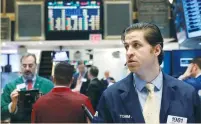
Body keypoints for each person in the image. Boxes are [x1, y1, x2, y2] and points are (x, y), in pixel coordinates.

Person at [92, 23, 201, 123]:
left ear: (156, 50)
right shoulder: (111, 96)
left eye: (136, 45)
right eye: (127, 47)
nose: (129, 52)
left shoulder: (186, 94)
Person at [1, 53, 54, 123]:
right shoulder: (10, 86)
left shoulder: (48, 85)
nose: (27, 68)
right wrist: (13, 104)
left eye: (30, 65)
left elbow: (55, 110)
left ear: (36, 66)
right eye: (24, 65)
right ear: (20, 66)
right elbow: (2, 114)